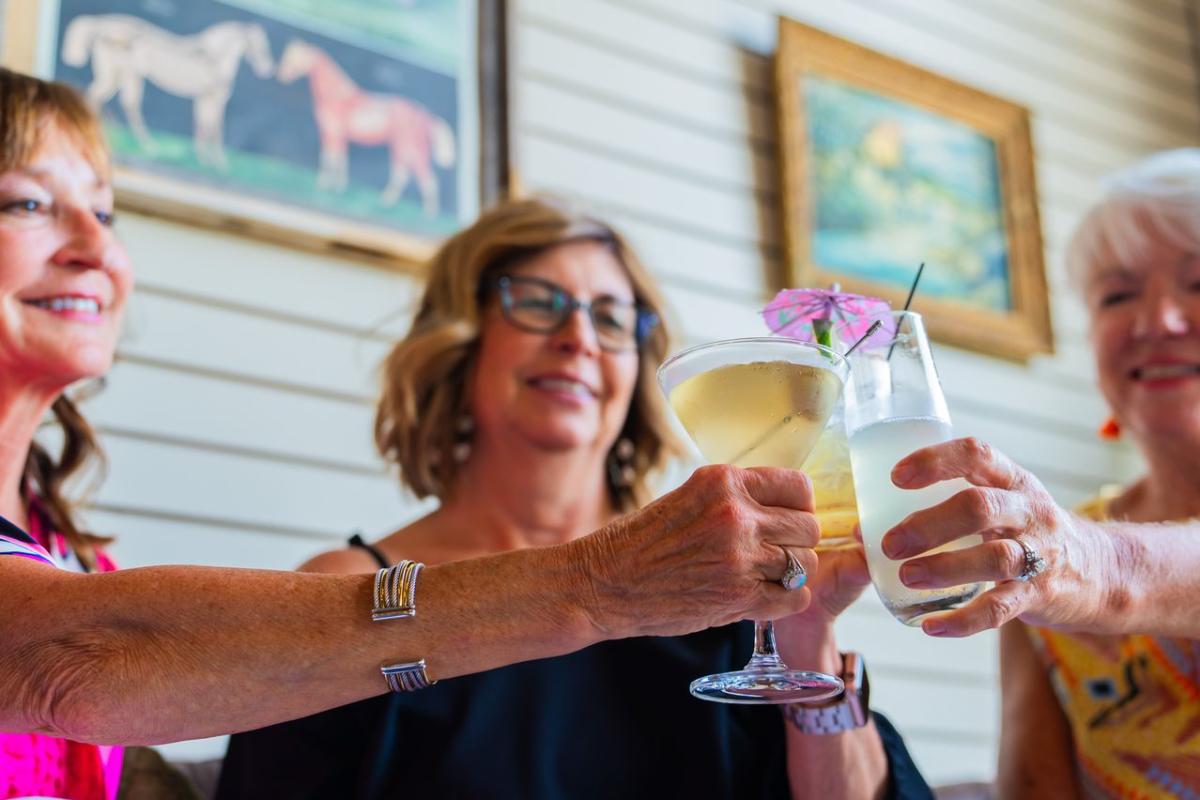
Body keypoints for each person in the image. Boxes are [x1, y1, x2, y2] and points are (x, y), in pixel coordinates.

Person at [0, 68, 825, 800]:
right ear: (459, 347)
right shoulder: (652, 574)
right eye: (31, 202)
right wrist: (605, 583)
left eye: (106, 212)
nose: (99, 247)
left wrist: (813, 638)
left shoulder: (71, 552)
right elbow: (71, 658)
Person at [217, 197, 933, 800]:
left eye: (611, 318)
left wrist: (807, 635)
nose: (578, 338)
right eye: (537, 304)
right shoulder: (352, 591)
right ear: (463, 342)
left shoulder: (719, 578)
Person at [867, 148, 1200, 797]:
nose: (1157, 320)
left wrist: (1102, 567)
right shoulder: (1041, 567)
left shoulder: (1065, 557)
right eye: (1118, 295)